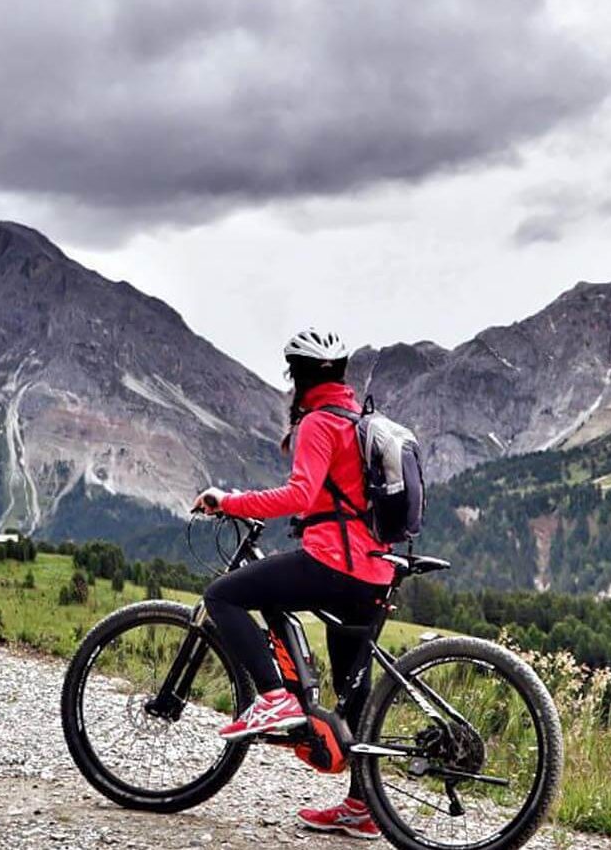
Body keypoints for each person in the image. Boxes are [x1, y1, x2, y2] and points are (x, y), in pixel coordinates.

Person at [191, 327, 392, 840]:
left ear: (297, 377)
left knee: (224, 594)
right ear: (341, 374)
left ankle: (275, 696)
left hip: (333, 564)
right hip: (374, 570)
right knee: (354, 692)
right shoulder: (358, 421)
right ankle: (363, 808)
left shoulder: (319, 422)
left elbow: (301, 495)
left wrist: (230, 501)